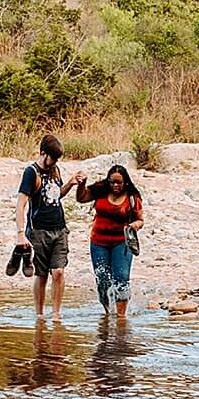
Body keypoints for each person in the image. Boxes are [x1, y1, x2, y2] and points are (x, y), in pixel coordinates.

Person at [75, 159, 144, 321]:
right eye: (112, 182)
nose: (115, 185)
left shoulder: (132, 197)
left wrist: (134, 225)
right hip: (99, 242)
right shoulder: (101, 190)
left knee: (121, 278)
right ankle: (108, 313)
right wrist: (81, 185)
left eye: (119, 182)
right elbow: (81, 198)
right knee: (103, 280)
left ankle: (120, 317)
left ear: (125, 182)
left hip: (122, 242)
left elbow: (140, 219)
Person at [15, 132, 72, 324]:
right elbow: (21, 203)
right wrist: (21, 234)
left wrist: (71, 184)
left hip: (60, 229)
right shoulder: (31, 172)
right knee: (41, 274)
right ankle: (39, 314)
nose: (55, 162)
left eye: (57, 159)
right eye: (52, 158)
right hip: (38, 231)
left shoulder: (55, 170)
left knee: (59, 272)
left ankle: (56, 314)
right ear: (42, 153)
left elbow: (55, 195)